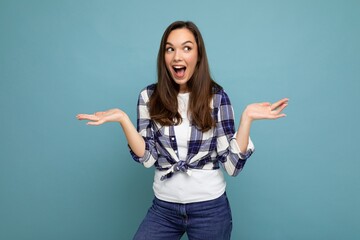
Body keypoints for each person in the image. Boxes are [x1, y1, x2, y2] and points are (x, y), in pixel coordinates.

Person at [76, 21, 288, 240]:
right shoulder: (149, 97)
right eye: (170, 49)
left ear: (198, 55)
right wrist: (122, 119)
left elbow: (232, 167)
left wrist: (247, 119)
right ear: (164, 56)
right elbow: (148, 159)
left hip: (210, 209)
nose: (177, 56)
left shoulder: (217, 98)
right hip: (164, 209)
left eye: (186, 48)